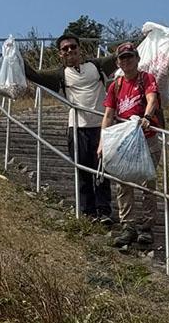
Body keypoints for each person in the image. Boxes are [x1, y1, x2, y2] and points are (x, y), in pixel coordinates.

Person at [23, 33, 116, 224]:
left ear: (79, 48)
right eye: (65, 49)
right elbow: (34, 75)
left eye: (73, 46)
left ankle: (104, 211)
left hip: (101, 127)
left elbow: (120, 56)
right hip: (77, 128)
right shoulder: (60, 75)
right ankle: (88, 212)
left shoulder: (97, 65)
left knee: (102, 171)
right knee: (83, 171)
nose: (70, 50)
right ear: (60, 54)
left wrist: (148, 37)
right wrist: (14, 56)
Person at [98, 43, 162, 252]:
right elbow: (108, 115)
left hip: (147, 138)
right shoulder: (115, 85)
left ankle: (147, 226)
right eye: (122, 58)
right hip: (124, 140)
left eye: (130, 57)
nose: (126, 61)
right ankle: (128, 225)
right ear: (118, 62)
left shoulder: (146, 78)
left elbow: (152, 99)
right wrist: (102, 142)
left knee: (147, 183)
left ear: (137, 58)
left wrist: (147, 117)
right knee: (123, 183)